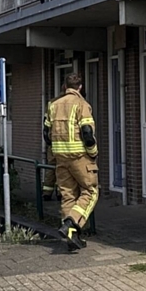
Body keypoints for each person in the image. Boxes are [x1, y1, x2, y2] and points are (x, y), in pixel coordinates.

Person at [44, 72, 98, 251]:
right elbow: (88, 134)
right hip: (79, 157)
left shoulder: (53, 105)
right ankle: (72, 222)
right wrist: (93, 153)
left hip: (60, 158)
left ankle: (71, 239)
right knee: (90, 192)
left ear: (65, 86)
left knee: (68, 196)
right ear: (80, 87)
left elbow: (46, 134)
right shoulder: (81, 104)